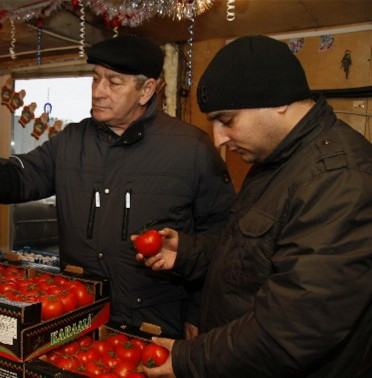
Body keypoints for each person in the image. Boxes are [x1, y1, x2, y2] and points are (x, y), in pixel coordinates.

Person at [0, 35, 235, 339]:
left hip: (154, 325)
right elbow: (17, 177)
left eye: (113, 82)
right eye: (95, 78)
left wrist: (197, 312)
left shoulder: (192, 149)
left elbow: (220, 239)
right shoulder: (71, 141)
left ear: (146, 90)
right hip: (75, 318)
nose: (98, 91)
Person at [136, 35, 372, 377]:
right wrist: (189, 252)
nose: (218, 139)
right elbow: (258, 253)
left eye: (226, 120)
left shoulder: (336, 179)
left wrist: (191, 359)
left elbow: (295, 327)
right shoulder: (276, 160)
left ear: (276, 100)